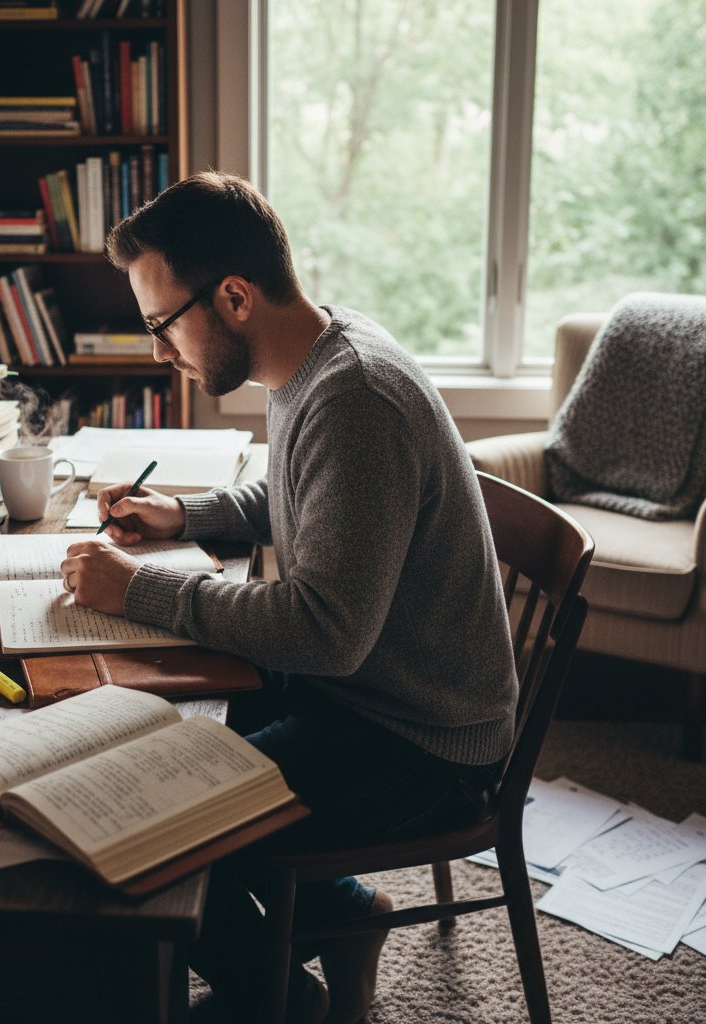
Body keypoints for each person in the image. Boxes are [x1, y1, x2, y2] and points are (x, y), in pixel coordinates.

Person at [59, 172, 518, 1024]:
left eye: (162, 325)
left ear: (234, 297)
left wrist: (141, 587)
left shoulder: (356, 398)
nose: (160, 352)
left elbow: (325, 631)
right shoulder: (312, 356)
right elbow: (298, 496)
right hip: (365, 687)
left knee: (156, 828)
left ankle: (280, 999)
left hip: (422, 735)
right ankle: (343, 917)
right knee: (151, 729)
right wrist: (184, 514)